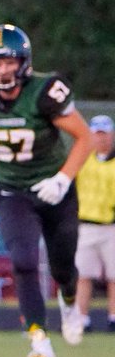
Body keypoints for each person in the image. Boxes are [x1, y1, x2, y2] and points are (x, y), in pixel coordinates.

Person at [0, 23, 91, 357]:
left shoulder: (45, 91)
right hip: (13, 190)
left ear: (24, 63)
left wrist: (63, 179)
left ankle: (70, 299)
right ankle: (39, 339)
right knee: (24, 260)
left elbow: (85, 137)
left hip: (54, 189)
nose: (3, 70)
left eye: (10, 62)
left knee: (63, 265)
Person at [73, 114, 115, 332]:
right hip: (86, 225)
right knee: (83, 274)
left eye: (104, 134)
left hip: (111, 226)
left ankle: (113, 316)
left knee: (114, 276)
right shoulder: (83, 159)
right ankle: (81, 318)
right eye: (96, 134)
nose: (100, 139)